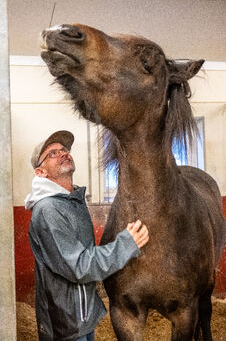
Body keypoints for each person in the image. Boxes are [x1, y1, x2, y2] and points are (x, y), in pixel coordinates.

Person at [25, 130, 149, 341]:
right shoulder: (49, 210)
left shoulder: (69, 201)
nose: (63, 153)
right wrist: (126, 245)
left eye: (64, 150)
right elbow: (80, 266)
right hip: (66, 324)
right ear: (41, 172)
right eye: (53, 153)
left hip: (80, 315)